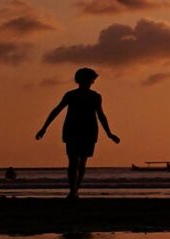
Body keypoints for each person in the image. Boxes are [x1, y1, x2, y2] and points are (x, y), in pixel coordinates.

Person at [36, 67, 117, 199]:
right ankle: (73, 190)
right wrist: (44, 127)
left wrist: (109, 133)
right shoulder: (72, 95)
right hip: (74, 130)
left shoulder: (94, 96)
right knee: (75, 161)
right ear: (84, 80)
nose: (93, 82)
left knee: (79, 162)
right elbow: (56, 110)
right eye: (92, 79)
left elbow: (101, 115)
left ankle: (74, 190)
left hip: (87, 130)